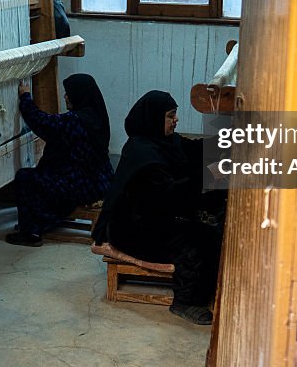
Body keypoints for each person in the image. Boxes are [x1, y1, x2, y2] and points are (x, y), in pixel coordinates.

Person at [91, 90, 222, 325]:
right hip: (133, 229)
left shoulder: (164, 141)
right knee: (198, 242)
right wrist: (207, 175)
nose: (176, 120)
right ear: (154, 119)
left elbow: (193, 149)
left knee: (210, 229)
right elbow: (170, 197)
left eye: (175, 114)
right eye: (171, 116)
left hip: (153, 217)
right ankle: (185, 302)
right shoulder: (143, 155)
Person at [5, 73, 113, 247]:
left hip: (80, 187)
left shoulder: (74, 121)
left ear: (79, 95)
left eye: (68, 93)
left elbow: (41, 122)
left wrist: (25, 96)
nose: (65, 97)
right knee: (47, 171)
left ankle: (30, 232)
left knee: (25, 178)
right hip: (101, 182)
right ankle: (45, 220)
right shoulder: (97, 116)